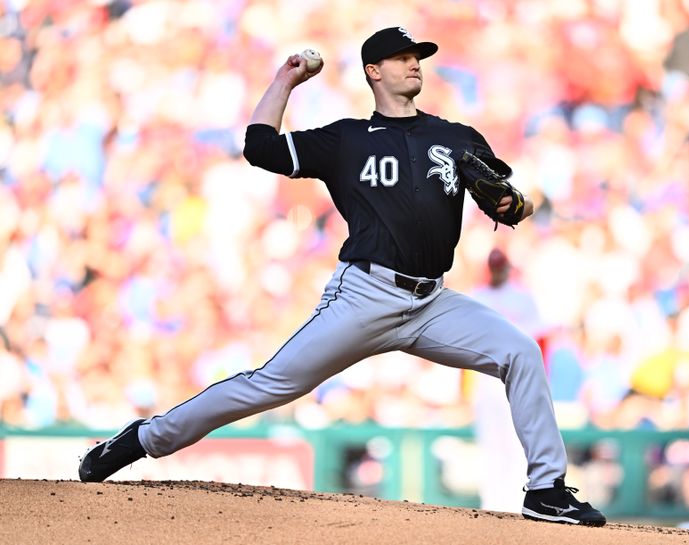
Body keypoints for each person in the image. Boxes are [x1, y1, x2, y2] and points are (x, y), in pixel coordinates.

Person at [78, 26, 606, 526]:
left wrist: (518, 204)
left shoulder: (455, 136)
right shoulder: (347, 140)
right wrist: (285, 79)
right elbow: (260, 147)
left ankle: (546, 491)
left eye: (417, 57)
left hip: (433, 303)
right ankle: (142, 439)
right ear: (373, 71)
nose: (414, 64)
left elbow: (509, 201)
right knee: (269, 385)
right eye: (402, 58)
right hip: (365, 296)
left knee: (520, 352)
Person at [470, 248, 547, 513]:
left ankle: (517, 502)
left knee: (517, 441)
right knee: (490, 441)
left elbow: (540, 341)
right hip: (486, 379)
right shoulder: (477, 297)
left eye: (501, 267)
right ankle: (491, 502)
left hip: (516, 377)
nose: (497, 272)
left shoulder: (522, 298)